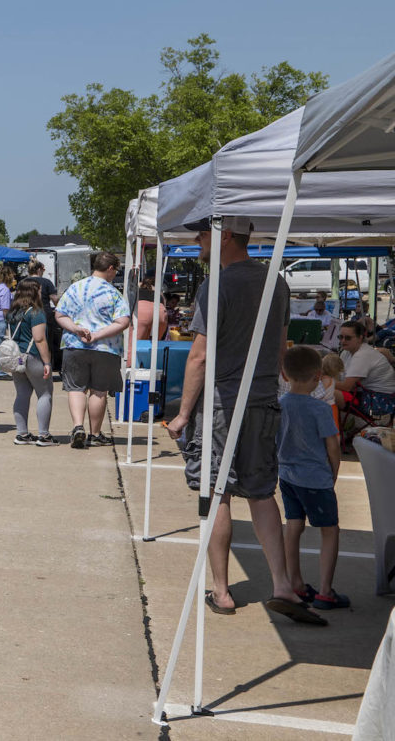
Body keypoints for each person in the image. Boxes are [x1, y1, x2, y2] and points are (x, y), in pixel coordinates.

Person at [166, 217, 322, 624]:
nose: (197, 241)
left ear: (226, 235)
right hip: (263, 399)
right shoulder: (278, 283)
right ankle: (282, 584)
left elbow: (199, 356)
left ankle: (221, 590)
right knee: (261, 491)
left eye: (203, 234)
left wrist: (183, 414)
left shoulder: (216, 285)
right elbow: (280, 347)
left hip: (222, 400)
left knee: (217, 492)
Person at [278, 345, 350, 612]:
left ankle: (295, 581)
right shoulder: (320, 409)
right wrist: (333, 475)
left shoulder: (281, 405)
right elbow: (333, 446)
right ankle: (325, 591)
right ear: (318, 376)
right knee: (330, 530)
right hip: (315, 477)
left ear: (285, 375)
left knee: (293, 525)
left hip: (287, 475)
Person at [55, 252, 131, 449]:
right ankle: (95, 433)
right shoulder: (114, 293)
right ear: (111, 269)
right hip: (105, 347)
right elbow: (123, 321)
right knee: (99, 391)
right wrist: (98, 335)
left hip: (74, 344)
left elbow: (60, 314)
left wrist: (75, 328)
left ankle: (78, 426)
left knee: (75, 388)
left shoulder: (74, 288)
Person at [7, 280, 56, 445]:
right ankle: (44, 435)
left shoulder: (14, 312)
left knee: (22, 394)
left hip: (16, 357)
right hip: (32, 357)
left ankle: (22, 433)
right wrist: (47, 363)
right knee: (45, 393)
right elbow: (39, 339)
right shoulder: (36, 313)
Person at [335, 319, 395, 422]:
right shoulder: (347, 352)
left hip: (380, 402)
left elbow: (346, 386)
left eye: (348, 338)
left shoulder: (363, 355)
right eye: (340, 337)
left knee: (330, 393)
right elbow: (340, 377)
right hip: (366, 393)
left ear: (360, 338)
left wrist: (322, 380)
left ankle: (334, 433)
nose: (343, 341)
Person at [20, 260, 60, 373]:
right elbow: (54, 299)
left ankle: (24, 365)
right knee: (46, 341)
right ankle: (46, 366)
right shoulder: (46, 282)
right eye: (43, 269)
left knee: (27, 340)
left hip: (25, 314)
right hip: (44, 313)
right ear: (38, 269)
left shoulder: (22, 282)